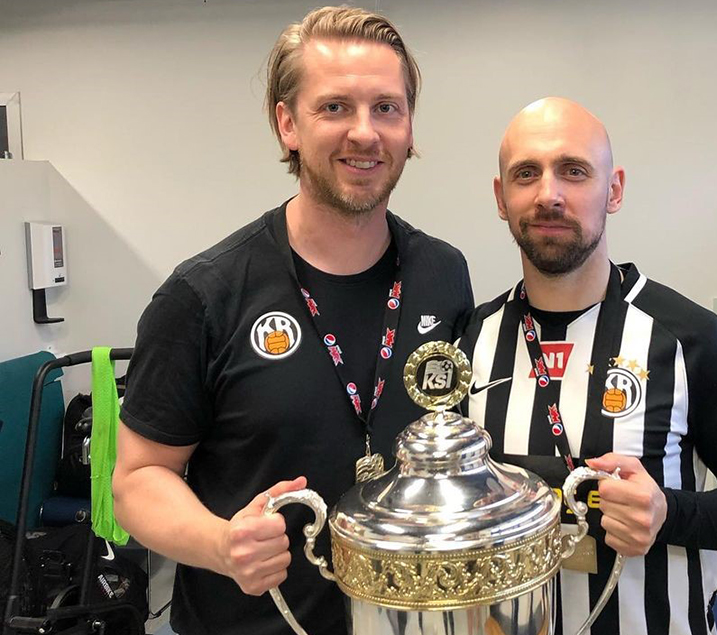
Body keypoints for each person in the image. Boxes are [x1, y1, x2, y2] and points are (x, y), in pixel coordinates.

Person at [112, 7, 473, 634]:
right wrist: (223, 544)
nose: (365, 133)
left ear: (410, 127)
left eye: (387, 108)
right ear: (288, 124)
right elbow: (138, 478)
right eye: (335, 107)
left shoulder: (443, 273)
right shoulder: (204, 295)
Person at [461, 97, 717, 635]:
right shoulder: (467, 342)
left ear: (614, 189)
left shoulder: (691, 339)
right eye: (526, 173)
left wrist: (669, 512)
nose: (549, 194)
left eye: (574, 171)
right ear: (501, 197)